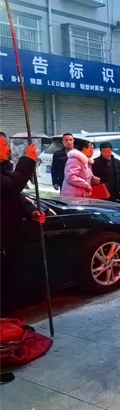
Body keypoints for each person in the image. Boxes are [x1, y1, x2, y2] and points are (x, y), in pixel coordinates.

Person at [1, 132, 45, 317]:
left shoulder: (4, 168)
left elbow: (13, 196)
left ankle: (8, 322)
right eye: (4, 144)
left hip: (9, 238)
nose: (8, 148)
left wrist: (31, 211)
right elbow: (11, 186)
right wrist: (27, 160)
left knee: (8, 285)